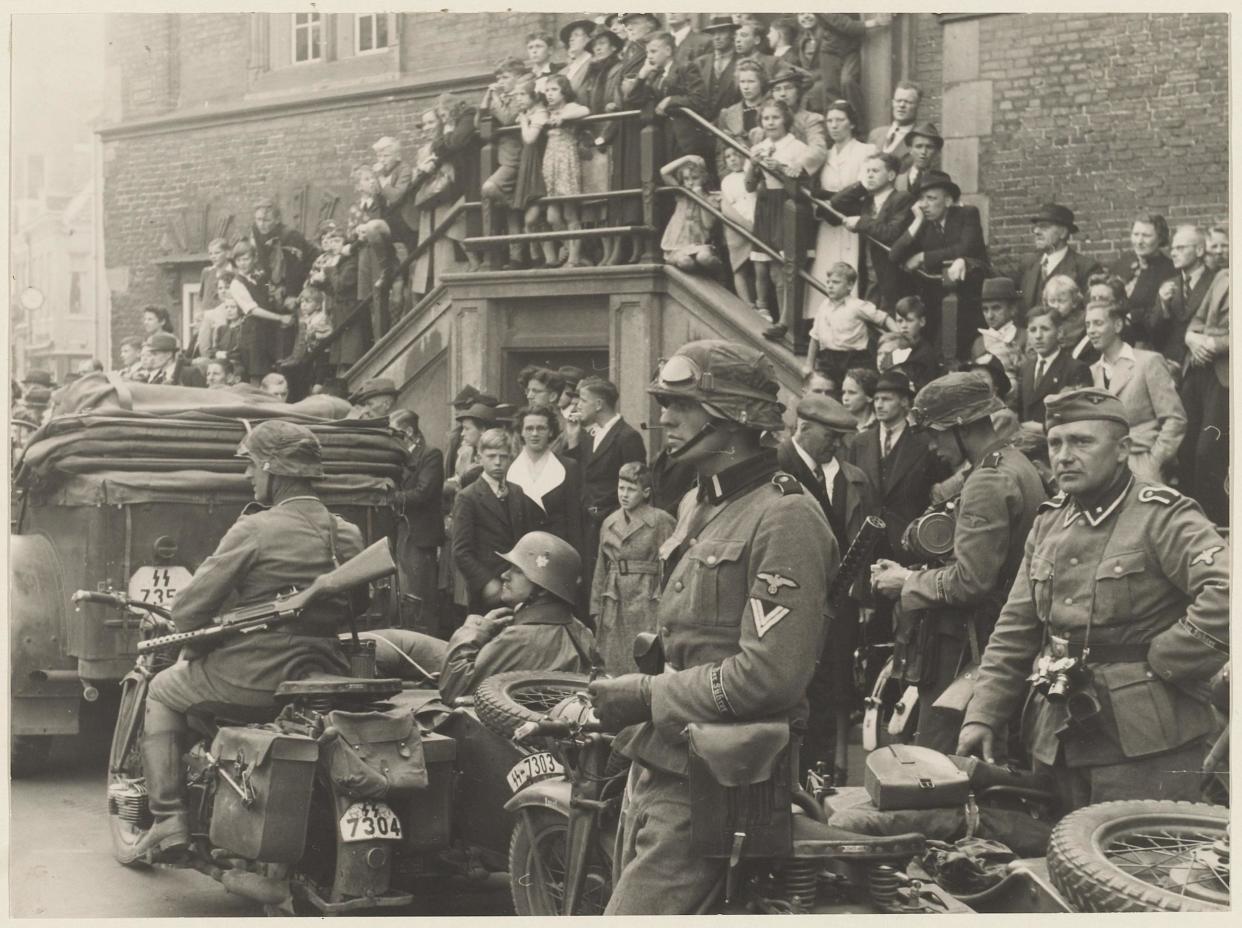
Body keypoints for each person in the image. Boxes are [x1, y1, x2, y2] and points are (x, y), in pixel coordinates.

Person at [588, 339, 837, 916]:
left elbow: (767, 676)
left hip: (720, 782)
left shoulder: (785, 515)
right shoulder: (701, 503)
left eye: (683, 405)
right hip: (667, 759)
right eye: (665, 404)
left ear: (733, 419)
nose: (665, 417)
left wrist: (648, 695)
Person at [958, 388, 1229, 811]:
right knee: (1056, 859)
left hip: (1145, 744)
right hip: (1056, 734)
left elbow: (1229, 592)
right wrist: (984, 712)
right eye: (1055, 443)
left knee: (1133, 864)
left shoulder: (1163, 516)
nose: (1064, 455)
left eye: (1082, 442)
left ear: (1122, 449)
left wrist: (1168, 658)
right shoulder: (1049, 522)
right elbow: (1015, 628)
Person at [131, 420, 366, 862]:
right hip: (324, 672)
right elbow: (363, 606)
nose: (247, 476)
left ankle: (167, 820)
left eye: (252, 465)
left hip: (255, 676)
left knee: (162, 689)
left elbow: (187, 609)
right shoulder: (347, 532)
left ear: (273, 469)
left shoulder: (254, 529)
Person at [871, 371, 1047, 753]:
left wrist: (906, 582)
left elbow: (971, 581)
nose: (932, 446)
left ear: (960, 427)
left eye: (935, 433)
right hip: (998, 638)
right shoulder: (1014, 463)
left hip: (971, 646)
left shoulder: (986, 481)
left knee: (941, 761)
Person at [372, 532, 597, 705]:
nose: (504, 575)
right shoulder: (580, 632)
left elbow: (455, 687)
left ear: (543, 589)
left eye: (517, 570)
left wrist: (475, 629)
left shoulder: (520, 637)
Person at [778, 392, 878, 783]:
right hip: (792, 602)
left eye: (842, 438)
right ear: (802, 428)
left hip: (831, 607)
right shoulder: (779, 466)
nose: (838, 446)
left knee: (825, 693)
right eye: (830, 436)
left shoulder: (843, 476)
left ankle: (813, 780)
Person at [846, 369, 951, 564]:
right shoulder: (860, 442)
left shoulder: (925, 444)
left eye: (886, 399)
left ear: (904, 402)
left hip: (906, 544)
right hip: (865, 543)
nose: (879, 405)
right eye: (876, 399)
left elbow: (937, 495)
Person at [889, 170, 991, 359]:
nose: (924, 204)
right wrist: (917, 221)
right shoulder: (923, 223)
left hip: (970, 298)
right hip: (934, 301)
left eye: (931, 198)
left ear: (948, 201)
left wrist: (923, 257)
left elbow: (965, 248)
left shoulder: (967, 214)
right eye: (921, 199)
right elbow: (894, 256)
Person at [589, 461, 677, 675]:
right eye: (621, 488)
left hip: (647, 597)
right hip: (615, 598)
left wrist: (670, 605)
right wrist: (595, 607)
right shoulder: (609, 522)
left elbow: (673, 567)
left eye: (631, 489)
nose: (624, 494)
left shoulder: (661, 521)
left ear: (646, 492)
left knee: (645, 657)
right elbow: (601, 567)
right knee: (613, 660)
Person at [1085, 300, 1186, 483]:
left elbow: (1175, 419)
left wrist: (1154, 461)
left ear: (1117, 325)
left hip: (1142, 464)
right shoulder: (1092, 372)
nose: (1091, 330)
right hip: (1104, 470)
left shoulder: (1148, 362)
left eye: (1098, 323)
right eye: (1087, 324)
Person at [569, 376, 646, 601]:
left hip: (612, 526)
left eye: (583, 400)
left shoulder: (627, 437)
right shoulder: (587, 436)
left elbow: (635, 486)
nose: (577, 406)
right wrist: (572, 441)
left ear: (599, 404)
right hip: (586, 525)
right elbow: (579, 477)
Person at [745, 98, 811, 337]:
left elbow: (803, 185)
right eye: (766, 118)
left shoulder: (798, 147)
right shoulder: (758, 146)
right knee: (769, 267)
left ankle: (787, 323)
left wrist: (780, 167)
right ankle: (769, 313)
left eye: (775, 117)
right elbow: (749, 186)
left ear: (785, 120)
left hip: (786, 203)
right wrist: (753, 165)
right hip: (765, 206)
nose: (770, 123)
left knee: (785, 266)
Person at [451, 428, 535, 612]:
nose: (498, 462)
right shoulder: (468, 497)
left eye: (503, 457)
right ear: (480, 457)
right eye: (491, 456)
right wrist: (486, 582)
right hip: (487, 589)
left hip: (518, 584)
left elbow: (526, 539)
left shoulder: (517, 492)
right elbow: (461, 551)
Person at [805, 99, 874, 315]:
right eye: (830, 121)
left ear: (851, 123)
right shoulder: (824, 154)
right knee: (824, 275)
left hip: (850, 224)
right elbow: (814, 189)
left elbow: (863, 186)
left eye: (840, 120)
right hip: (827, 227)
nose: (833, 125)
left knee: (850, 273)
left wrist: (831, 204)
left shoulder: (866, 150)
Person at [830, 151, 916, 314]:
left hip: (891, 273)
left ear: (891, 175)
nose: (869, 175)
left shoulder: (902, 198)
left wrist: (861, 222)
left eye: (875, 171)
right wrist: (863, 185)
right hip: (869, 272)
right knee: (869, 314)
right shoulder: (867, 202)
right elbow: (837, 202)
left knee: (887, 314)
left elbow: (891, 233)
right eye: (867, 171)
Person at [388, 409, 445, 636]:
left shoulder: (431, 455)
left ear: (408, 431)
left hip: (420, 536)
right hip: (403, 533)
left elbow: (423, 493)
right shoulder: (399, 456)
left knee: (422, 595)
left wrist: (391, 497)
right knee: (406, 593)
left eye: (395, 433)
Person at [1180, 266, 1229, 525]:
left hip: (1227, 377)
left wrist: (1211, 343)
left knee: (1208, 453)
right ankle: (1190, 525)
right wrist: (1192, 338)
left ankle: (1217, 524)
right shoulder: (1224, 276)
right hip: (1198, 372)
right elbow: (1198, 319)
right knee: (1186, 448)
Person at [506, 404, 584, 554]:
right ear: (521, 432)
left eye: (541, 428)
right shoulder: (509, 469)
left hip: (557, 552)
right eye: (529, 428)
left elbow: (575, 521)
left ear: (550, 432)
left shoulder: (568, 467)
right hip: (521, 552)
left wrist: (576, 565)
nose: (535, 433)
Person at [804, 261, 899, 384]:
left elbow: (884, 318)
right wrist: (809, 364)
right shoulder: (823, 306)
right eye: (828, 282)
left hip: (854, 358)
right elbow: (815, 337)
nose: (830, 286)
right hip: (828, 358)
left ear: (850, 285)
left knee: (853, 389)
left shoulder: (857, 306)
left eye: (836, 282)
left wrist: (899, 335)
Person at [624, 29, 708, 166]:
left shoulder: (685, 68)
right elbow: (634, 100)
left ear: (668, 51)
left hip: (684, 138)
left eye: (653, 51)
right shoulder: (654, 75)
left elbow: (699, 100)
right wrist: (641, 76)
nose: (649, 56)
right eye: (647, 53)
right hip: (663, 137)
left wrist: (670, 100)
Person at [539, 74, 593, 268]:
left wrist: (563, 117)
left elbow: (585, 110)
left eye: (554, 90)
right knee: (552, 216)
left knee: (570, 212)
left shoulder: (569, 107)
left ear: (564, 91)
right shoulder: (545, 110)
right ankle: (572, 248)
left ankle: (574, 259)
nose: (550, 94)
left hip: (566, 158)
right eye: (547, 90)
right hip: (550, 160)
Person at [1014, 304, 1093, 427]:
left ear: (1059, 332)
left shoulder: (1075, 369)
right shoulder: (1025, 368)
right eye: (1033, 330)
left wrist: (1044, 429)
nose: (1038, 336)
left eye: (1045, 329)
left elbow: (1080, 418)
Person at [1015, 203, 1102, 313]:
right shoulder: (1027, 265)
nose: (1036, 231)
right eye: (1036, 227)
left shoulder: (1086, 268)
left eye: (1044, 226)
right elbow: (1018, 300)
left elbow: (1091, 311)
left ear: (1063, 232)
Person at [228, 238, 294, 383]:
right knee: (257, 375)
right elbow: (253, 310)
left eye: (246, 259)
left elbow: (269, 297)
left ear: (254, 258)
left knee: (275, 373)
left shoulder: (260, 277)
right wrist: (280, 318)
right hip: (254, 334)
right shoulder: (236, 284)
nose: (242, 264)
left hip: (269, 331)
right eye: (239, 261)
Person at [1106, 213, 1177, 347]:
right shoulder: (1122, 263)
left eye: (1146, 236)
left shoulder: (1170, 271)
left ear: (1160, 238)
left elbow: (1163, 318)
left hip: (1147, 343)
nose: (1139, 241)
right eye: (1136, 234)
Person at [1151, 224, 1214, 368]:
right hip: (1173, 367)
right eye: (1173, 248)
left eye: (1180, 248)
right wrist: (1164, 307)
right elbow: (1156, 337)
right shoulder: (1168, 285)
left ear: (1199, 250)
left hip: (1205, 365)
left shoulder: (1216, 282)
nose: (1173, 253)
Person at [659, 154, 721, 273]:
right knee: (685, 262)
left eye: (695, 178)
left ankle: (718, 272)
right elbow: (663, 172)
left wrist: (700, 196)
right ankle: (696, 270)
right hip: (677, 245)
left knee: (704, 258)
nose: (690, 182)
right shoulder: (681, 194)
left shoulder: (710, 198)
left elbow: (708, 224)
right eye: (687, 179)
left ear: (704, 178)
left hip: (699, 245)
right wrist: (686, 158)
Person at [714, 58, 767, 178]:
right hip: (738, 178)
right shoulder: (728, 113)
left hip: (766, 174)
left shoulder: (771, 108)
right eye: (742, 82)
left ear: (761, 82)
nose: (746, 87)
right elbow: (721, 153)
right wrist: (727, 178)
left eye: (751, 81)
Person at [970, 277, 1027, 387]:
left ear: (1012, 309)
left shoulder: (1024, 336)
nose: (990, 316)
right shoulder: (979, 343)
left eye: (996, 308)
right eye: (985, 309)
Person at [718, 147, 757, 305]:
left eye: (736, 155)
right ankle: (746, 303)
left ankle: (761, 303)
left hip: (754, 220)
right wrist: (746, 226)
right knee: (739, 267)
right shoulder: (727, 181)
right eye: (728, 156)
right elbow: (727, 207)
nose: (732, 159)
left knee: (758, 265)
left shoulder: (750, 174)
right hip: (737, 226)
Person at [884, 295, 944, 390]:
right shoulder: (891, 348)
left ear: (922, 322)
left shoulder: (925, 353)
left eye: (909, 320)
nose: (903, 326)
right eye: (899, 321)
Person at [372, 136, 418, 246]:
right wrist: (374, 190)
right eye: (379, 156)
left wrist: (381, 179)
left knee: (413, 255)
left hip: (404, 219)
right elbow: (378, 201)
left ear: (397, 156)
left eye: (386, 156)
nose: (382, 160)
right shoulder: (381, 172)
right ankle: (388, 262)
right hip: (388, 218)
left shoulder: (404, 169)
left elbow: (396, 196)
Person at [692, 16, 739, 122]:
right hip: (701, 125)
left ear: (732, 34)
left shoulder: (742, 62)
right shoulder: (700, 63)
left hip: (729, 126)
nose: (717, 37)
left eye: (722, 32)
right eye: (713, 33)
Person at [867, 81, 922, 169]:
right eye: (898, 100)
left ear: (918, 105)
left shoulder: (920, 140)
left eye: (908, 102)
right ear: (893, 102)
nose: (901, 105)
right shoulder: (875, 135)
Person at [1045, 275, 1099, 365]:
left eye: (1061, 301)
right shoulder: (1045, 320)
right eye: (1052, 301)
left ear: (1074, 302)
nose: (1056, 306)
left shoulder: (1083, 321)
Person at [193, 238, 232, 359]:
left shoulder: (233, 271)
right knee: (203, 348)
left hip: (223, 317)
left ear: (227, 253)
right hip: (206, 318)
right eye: (211, 253)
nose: (213, 256)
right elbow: (200, 296)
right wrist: (198, 312)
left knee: (218, 349)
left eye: (217, 253)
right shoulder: (207, 272)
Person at [141, 332, 207, 387]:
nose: (151, 358)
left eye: (155, 354)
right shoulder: (155, 378)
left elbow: (202, 399)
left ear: (168, 355)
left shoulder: (190, 374)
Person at [894, 121, 941, 194]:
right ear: (910, 149)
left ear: (936, 151)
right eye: (919, 146)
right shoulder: (897, 181)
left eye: (929, 147)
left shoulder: (941, 181)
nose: (923, 152)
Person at [558, 18, 596, 94]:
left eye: (576, 35)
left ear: (589, 39)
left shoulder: (595, 64)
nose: (571, 39)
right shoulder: (563, 72)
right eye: (570, 36)